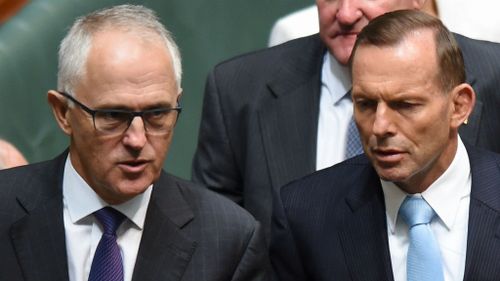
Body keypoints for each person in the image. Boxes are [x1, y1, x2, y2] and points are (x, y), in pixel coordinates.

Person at [192, 0, 500, 242]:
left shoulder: (492, 75)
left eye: (405, 105)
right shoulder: (239, 90)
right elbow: (219, 243)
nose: (346, 13)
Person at [0, 5, 269, 281]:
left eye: (157, 114)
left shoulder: (228, 240)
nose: (137, 140)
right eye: (113, 116)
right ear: (63, 112)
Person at [271, 10, 500, 280]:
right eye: (365, 104)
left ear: (459, 106)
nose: (380, 127)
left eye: (405, 105)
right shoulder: (306, 216)